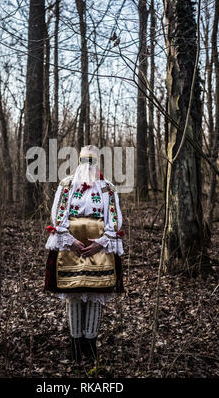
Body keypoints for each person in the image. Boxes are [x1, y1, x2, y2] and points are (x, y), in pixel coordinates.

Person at [44, 145, 124, 363]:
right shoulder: (67, 185)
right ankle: (75, 347)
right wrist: (69, 241)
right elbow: (58, 215)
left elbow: (114, 218)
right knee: (74, 295)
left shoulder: (107, 188)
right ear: (78, 161)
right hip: (71, 250)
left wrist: (102, 241)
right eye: (84, 161)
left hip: (100, 249)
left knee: (95, 296)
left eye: (92, 161)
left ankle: (90, 346)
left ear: (98, 162)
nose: (88, 166)